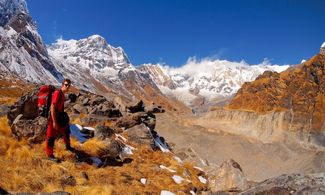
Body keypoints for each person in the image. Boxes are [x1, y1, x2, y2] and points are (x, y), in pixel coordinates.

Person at [46, 78, 72, 162]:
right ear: (62, 85)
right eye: (66, 85)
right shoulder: (58, 93)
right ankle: (49, 155)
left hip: (59, 116)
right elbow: (52, 107)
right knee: (51, 136)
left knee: (66, 130)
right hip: (53, 118)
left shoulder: (62, 94)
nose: (67, 87)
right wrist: (54, 122)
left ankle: (68, 146)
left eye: (69, 85)